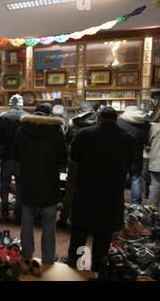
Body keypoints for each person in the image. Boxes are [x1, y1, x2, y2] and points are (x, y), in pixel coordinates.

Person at [64, 107, 135, 274]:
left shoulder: (84, 133)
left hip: (87, 186)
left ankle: (74, 260)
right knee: (104, 228)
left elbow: (74, 157)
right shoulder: (128, 139)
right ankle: (97, 262)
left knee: (80, 226)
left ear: (98, 118)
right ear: (116, 119)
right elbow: (131, 162)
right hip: (112, 189)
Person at [13, 103, 67, 265]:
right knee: (49, 224)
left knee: (27, 222)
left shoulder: (21, 130)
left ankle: (27, 253)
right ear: (50, 114)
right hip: (49, 182)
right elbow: (63, 158)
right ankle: (48, 257)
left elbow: (16, 155)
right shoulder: (56, 132)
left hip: (28, 181)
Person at [59, 101, 99, 225]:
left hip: (75, 159)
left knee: (70, 189)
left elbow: (67, 139)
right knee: (91, 189)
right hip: (93, 160)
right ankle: (88, 218)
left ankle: (64, 217)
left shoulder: (73, 122)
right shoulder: (99, 122)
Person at [0, 94, 27, 221]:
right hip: (21, 157)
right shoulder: (26, 117)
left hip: (6, 156)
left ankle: (4, 210)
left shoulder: (3, 117)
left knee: (4, 183)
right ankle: (18, 211)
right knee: (20, 185)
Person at [117, 106, 151, 204]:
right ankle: (136, 204)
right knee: (136, 178)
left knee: (120, 178)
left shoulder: (119, 121)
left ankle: (118, 202)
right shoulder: (145, 123)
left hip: (121, 154)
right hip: (137, 154)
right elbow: (146, 140)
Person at [148, 120, 160, 210]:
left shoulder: (155, 127)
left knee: (155, 188)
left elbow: (148, 141)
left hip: (156, 162)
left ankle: (152, 212)